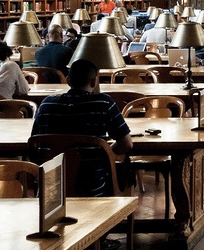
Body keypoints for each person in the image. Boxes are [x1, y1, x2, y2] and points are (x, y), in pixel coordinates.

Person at [30, 59, 132, 194]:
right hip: (92, 189)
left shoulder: (46, 105)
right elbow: (126, 144)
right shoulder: (104, 103)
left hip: (52, 189)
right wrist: (106, 151)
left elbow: (35, 143)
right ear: (94, 82)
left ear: (68, 80)